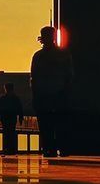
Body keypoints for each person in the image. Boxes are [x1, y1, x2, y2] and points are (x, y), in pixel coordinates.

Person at [30, 26, 73, 157]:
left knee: (45, 125)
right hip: (59, 95)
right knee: (61, 123)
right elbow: (69, 76)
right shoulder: (64, 55)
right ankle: (63, 147)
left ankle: (49, 148)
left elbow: (34, 78)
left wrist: (35, 96)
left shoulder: (38, 56)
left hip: (43, 96)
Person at [0, 81, 23, 155]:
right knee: (11, 133)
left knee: (6, 133)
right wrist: (20, 118)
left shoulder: (3, 98)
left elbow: (0, 109)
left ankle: (7, 148)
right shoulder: (16, 98)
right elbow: (20, 109)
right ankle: (12, 149)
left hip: (5, 118)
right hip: (12, 118)